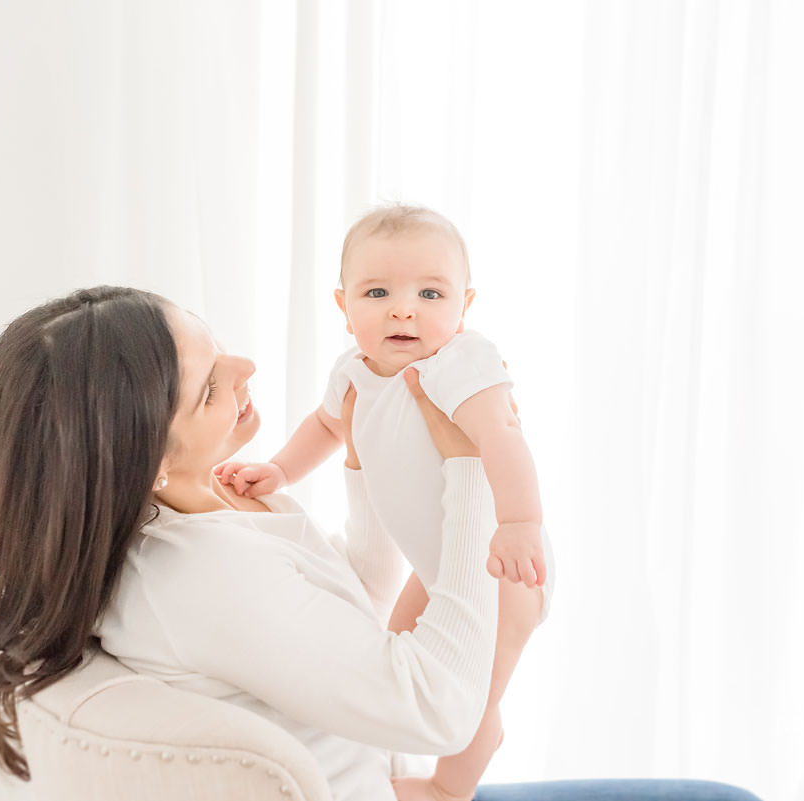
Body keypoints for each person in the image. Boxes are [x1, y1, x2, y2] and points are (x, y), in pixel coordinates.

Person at [0, 286, 762, 801]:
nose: (245, 365)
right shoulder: (205, 579)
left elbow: (350, 601)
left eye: (216, 344)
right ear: (146, 453)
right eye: (211, 383)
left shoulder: (196, 504)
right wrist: (468, 468)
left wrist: (363, 457)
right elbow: (437, 710)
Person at [214, 204, 551, 801]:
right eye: (377, 291)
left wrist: (521, 521)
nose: (404, 308)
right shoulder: (354, 371)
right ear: (343, 307)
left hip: (502, 567)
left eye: (429, 292)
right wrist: (279, 469)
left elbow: (503, 436)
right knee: (391, 663)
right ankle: (387, 775)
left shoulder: (460, 363)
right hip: (437, 562)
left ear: (464, 306)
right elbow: (326, 426)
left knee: (472, 696)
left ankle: (450, 789)